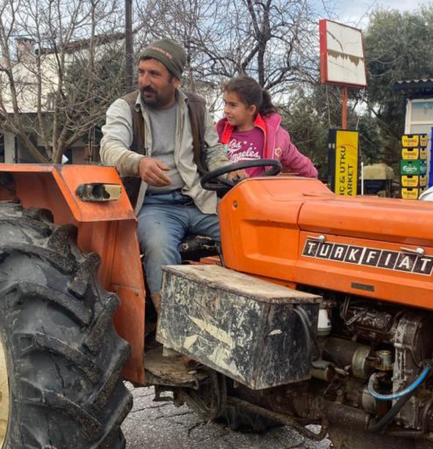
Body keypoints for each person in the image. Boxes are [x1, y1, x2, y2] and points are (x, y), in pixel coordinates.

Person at [100, 38, 229, 311]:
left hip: (198, 200)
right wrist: (138, 163)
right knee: (160, 248)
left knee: (242, 234)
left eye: (154, 74)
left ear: (176, 81)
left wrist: (226, 171)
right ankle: (171, 325)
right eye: (142, 72)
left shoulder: (196, 107)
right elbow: (109, 148)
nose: (144, 81)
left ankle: (233, 309)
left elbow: (214, 149)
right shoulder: (124, 108)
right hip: (154, 206)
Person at [216, 76, 317, 179]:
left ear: (251, 109)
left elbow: (298, 161)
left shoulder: (276, 137)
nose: (226, 110)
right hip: (229, 193)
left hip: (262, 193)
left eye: (232, 105)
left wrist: (313, 176)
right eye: (225, 103)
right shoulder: (219, 134)